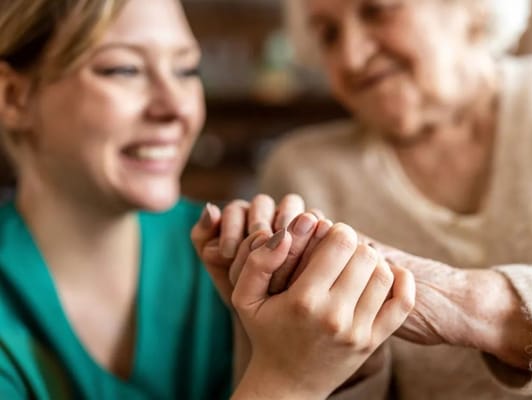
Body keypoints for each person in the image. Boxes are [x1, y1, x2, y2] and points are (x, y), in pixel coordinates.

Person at [0, 0, 416, 399]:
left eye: (187, 70)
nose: (176, 106)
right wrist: (289, 382)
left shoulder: (234, 257)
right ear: (14, 97)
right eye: (124, 69)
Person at [259, 0, 532, 398]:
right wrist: (344, 360)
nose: (351, 56)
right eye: (328, 34)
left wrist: (463, 302)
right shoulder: (305, 173)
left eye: (377, 10)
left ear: (472, 9)